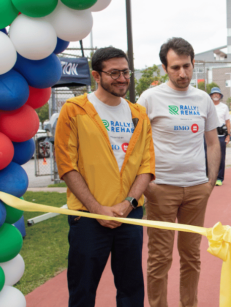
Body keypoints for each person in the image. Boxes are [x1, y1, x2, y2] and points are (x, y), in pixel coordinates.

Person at [55, 47, 155, 307]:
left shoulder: (139, 114)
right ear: (96, 75)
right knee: (82, 290)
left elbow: (146, 166)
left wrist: (128, 204)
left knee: (131, 290)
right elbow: (66, 165)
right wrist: (96, 208)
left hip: (129, 214)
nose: (122, 78)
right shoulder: (74, 109)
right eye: (114, 73)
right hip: (88, 216)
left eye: (125, 72)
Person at [136, 37, 221, 307]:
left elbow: (212, 142)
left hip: (197, 189)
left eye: (187, 66)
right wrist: (147, 184)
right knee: (159, 257)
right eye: (175, 68)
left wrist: (209, 182)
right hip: (161, 188)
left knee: (191, 256)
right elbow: (137, 145)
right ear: (165, 68)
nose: (182, 73)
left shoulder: (203, 99)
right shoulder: (150, 98)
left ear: (193, 64)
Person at [209, 87, 231, 186]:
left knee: (221, 157)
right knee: (208, 156)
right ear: (211, 96)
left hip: (221, 134)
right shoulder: (208, 106)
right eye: (214, 94)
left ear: (220, 96)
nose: (216, 95)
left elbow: (227, 122)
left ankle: (219, 178)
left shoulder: (224, 107)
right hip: (209, 135)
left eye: (217, 94)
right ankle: (209, 177)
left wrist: (229, 135)